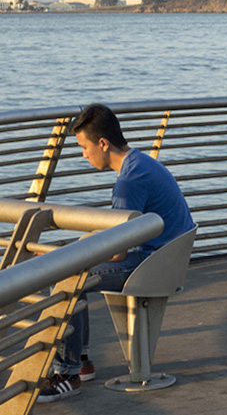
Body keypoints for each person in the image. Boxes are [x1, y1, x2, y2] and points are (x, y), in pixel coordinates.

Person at [38, 103, 196, 403]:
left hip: (153, 264)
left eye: (84, 147)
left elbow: (117, 252)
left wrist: (65, 259)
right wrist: (69, 251)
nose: (83, 155)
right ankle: (80, 361)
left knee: (68, 276)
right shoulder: (139, 164)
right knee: (71, 268)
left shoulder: (129, 181)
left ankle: (68, 373)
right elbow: (114, 236)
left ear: (102, 143)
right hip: (165, 258)